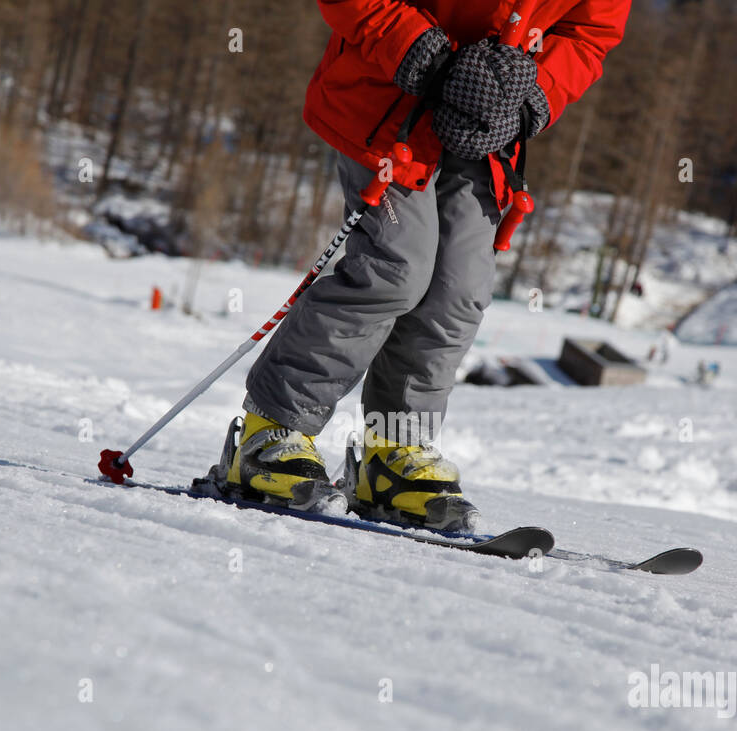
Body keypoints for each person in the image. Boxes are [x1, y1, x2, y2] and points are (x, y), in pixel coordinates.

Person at [222, 0, 631, 529]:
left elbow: (590, 30)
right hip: (391, 92)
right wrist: (419, 49)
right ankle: (268, 432)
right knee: (395, 265)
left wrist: (534, 95)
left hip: (486, 120)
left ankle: (393, 454)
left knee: (458, 289)